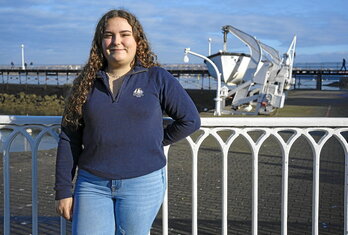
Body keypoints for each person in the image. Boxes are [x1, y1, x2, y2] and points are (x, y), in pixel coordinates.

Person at [54, 9, 200, 235]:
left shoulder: (157, 78)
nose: (116, 41)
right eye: (108, 35)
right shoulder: (85, 84)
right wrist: (63, 190)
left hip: (143, 183)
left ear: (137, 40)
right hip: (92, 184)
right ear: (100, 42)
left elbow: (190, 119)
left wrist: (156, 141)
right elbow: (69, 138)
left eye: (124, 34)